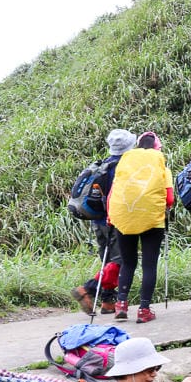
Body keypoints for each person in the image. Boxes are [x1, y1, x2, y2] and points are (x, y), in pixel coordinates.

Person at [109, 132, 173, 324]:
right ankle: (144, 310)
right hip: (152, 220)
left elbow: (113, 194)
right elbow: (169, 199)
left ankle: (121, 304)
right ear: (157, 149)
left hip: (124, 218)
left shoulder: (125, 165)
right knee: (148, 264)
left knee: (128, 262)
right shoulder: (163, 169)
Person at [72, 128, 135, 316]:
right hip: (115, 219)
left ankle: (108, 302)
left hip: (98, 219)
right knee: (120, 260)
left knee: (108, 260)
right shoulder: (122, 167)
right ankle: (87, 289)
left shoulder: (104, 165)